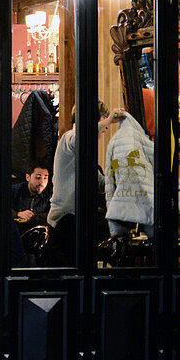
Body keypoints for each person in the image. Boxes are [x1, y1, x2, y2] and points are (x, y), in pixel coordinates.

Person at [47, 103, 123, 264]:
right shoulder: (69, 137)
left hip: (77, 219)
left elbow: (100, 183)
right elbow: (82, 137)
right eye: (102, 119)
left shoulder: (85, 153)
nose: (106, 128)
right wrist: (109, 120)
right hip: (65, 221)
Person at [104, 110, 155, 239]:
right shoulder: (137, 139)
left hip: (121, 201)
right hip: (142, 199)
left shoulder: (117, 139)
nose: (105, 127)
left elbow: (110, 179)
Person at [11, 160, 51, 231]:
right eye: (38, 178)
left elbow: (53, 214)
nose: (42, 182)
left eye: (45, 178)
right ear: (28, 177)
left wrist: (34, 218)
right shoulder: (14, 191)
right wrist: (17, 214)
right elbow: (0, 209)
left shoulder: (49, 194)